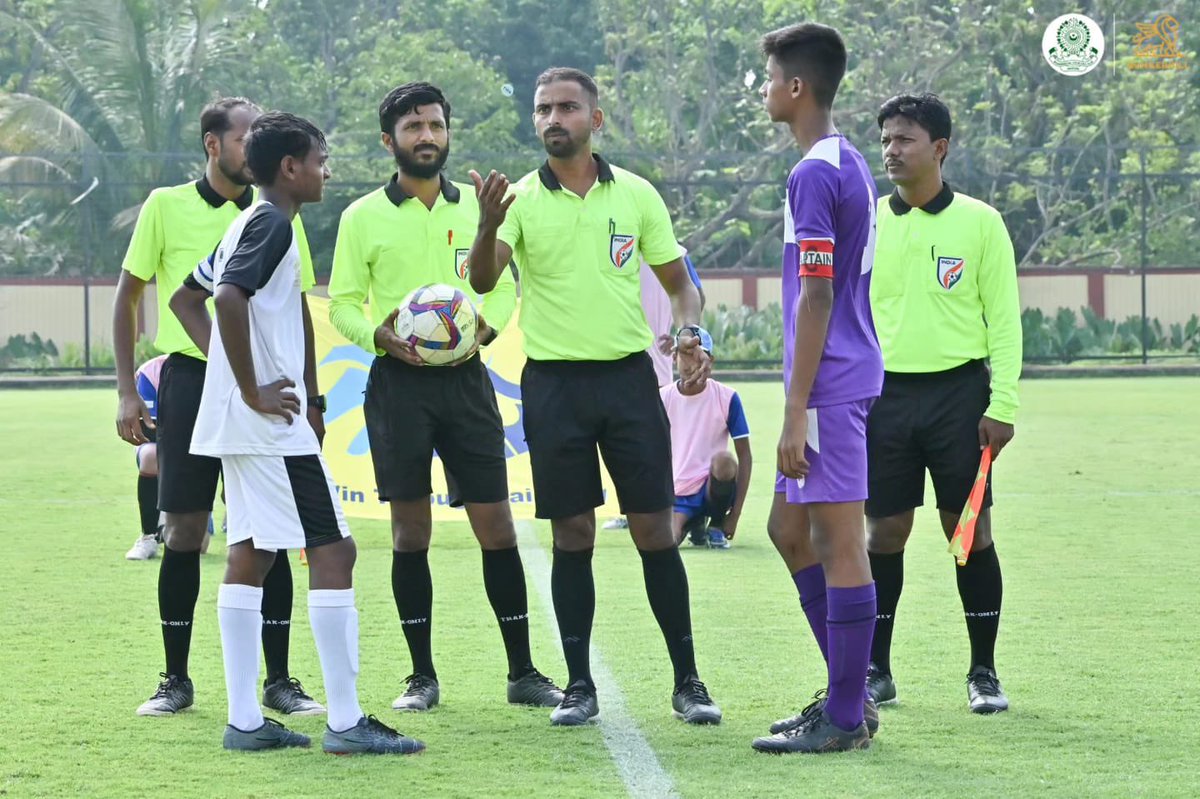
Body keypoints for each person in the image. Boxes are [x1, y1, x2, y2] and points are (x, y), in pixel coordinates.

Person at [468, 67, 722, 727]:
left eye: (568, 108)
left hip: (628, 381)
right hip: (553, 385)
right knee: (572, 532)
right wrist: (488, 225)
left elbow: (680, 284)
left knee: (654, 530)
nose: (554, 118)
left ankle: (688, 681)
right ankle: (579, 684)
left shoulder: (636, 195)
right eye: (543, 108)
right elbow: (484, 276)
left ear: (595, 119)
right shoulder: (517, 199)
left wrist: (690, 334)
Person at [178, 111, 423, 754]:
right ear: (290, 168)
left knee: (252, 553)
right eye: (320, 158)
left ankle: (246, 722)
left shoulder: (245, 222)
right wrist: (253, 384)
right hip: (267, 425)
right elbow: (226, 299)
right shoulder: (270, 225)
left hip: (245, 422)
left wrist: (237, 380)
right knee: (334, 551)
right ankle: (344, 724)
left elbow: (187, 296)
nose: (326, 169)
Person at [327, 81, 562, 712]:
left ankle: (523, 672)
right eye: (412, 128)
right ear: (389, 142)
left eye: (435, 125)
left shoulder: (481, 209)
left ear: (447, 133)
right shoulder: (361, 217)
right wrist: (378, 335)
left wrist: (485, 326)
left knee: (496, 525)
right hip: (397, 385)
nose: (426, 136)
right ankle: (421, 676)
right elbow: (343, 303)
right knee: (410, 532)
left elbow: (506, 287)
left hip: (466, 384)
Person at [113, 97, 320, 717]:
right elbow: (133, 298)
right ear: (213, 145)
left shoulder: (277, 209)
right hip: (192, 384)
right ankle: (175, 679)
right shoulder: (165, 205)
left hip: (262, 389)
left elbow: (300, 306)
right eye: (244, 135)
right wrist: (128, 390)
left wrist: (311, 395)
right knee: (182, 530)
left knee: (270, 531)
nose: (253, 144)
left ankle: (279, 681)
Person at [750, 23, 883, 754]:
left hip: (827, 387)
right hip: (834, 380)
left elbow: (820, 295)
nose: (765, 90)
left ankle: (843, 714)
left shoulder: (814, 173)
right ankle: (848, 693)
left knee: (837, 542)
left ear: (796, 88)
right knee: (786, 529)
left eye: (769, 78)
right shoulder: (848, 161)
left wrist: (795, 409)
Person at [865, 92, 1020, 714]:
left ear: (940, 148)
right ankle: (877, 669)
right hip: (883, 398)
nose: (891, 151)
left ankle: (983, 671)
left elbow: (1004, 322)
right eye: (884, 141)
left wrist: (1001, 403)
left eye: (903, 139)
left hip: (961, 396)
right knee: (885, 532)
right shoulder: (868, 220)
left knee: (969, 533)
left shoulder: (981, 223)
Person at [602, 252, 704, 532]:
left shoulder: (673, 252)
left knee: (656, 443)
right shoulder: (617, 243)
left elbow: (694, 293)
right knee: (622, 441)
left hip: (650, 363)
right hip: (621, 359)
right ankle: (634, 508)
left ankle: (668, 506)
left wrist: (683, 332)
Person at [658, 333, 752, 550]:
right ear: (674, 357)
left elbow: (745, 457)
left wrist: (734, 516)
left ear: (710, 361)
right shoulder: (662, 398)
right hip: (678, 492)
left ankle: (717, 522)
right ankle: (694, 523)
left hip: (712, 487)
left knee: (725, 461)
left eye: (699, 356)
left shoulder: (727, 397)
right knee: (666, 543)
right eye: (686, 354)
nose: (692, 364)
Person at [125, 354, 167, 561]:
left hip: (199, 448)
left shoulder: (211, 363)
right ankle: (148, 535)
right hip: (163, 446)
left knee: (200, 545)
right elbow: (147, 427)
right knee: (151, 454)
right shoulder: (151, 371)